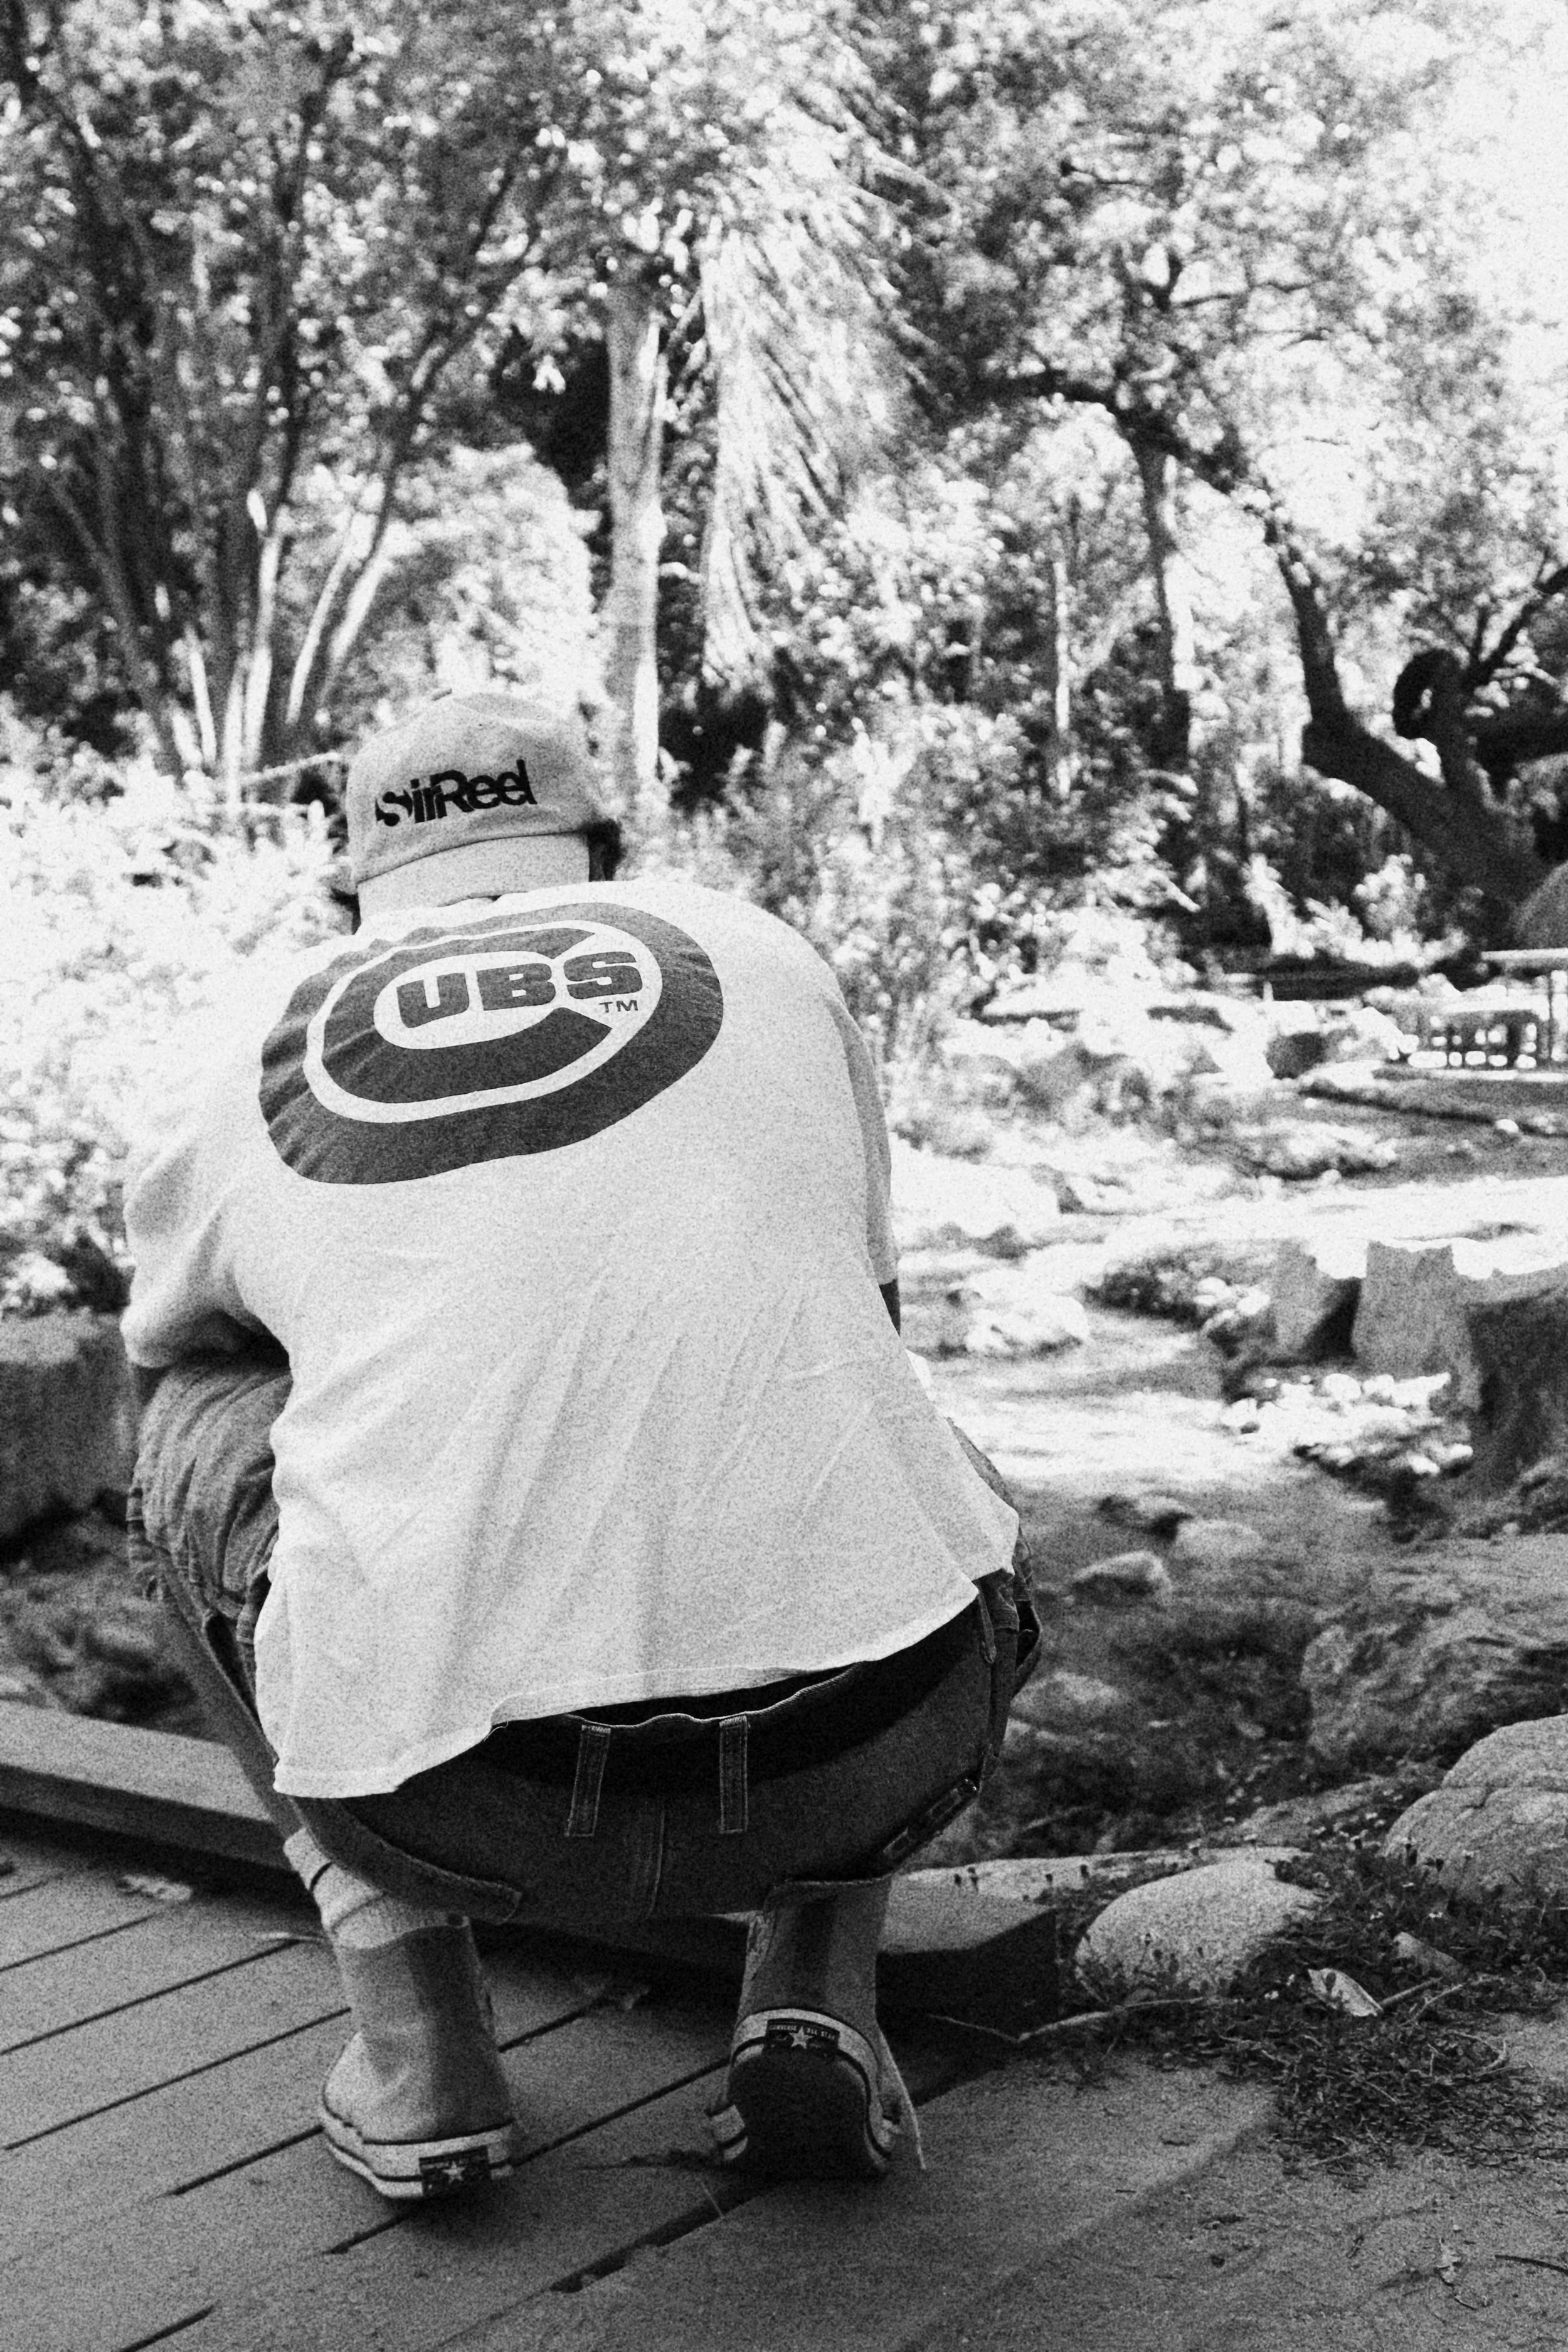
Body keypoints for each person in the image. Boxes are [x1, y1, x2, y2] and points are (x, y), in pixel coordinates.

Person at [122, 691, 1037, 2203]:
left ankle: (417, 2043)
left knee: (172, 1391)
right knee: (898, 1429)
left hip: (457, 1799)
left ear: (355, 884)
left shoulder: (257, 1032)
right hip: (869, 1746)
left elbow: (172, 1340)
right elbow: (866, 1316)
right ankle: (819, 1984)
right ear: (607, 847)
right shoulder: (757, 951)